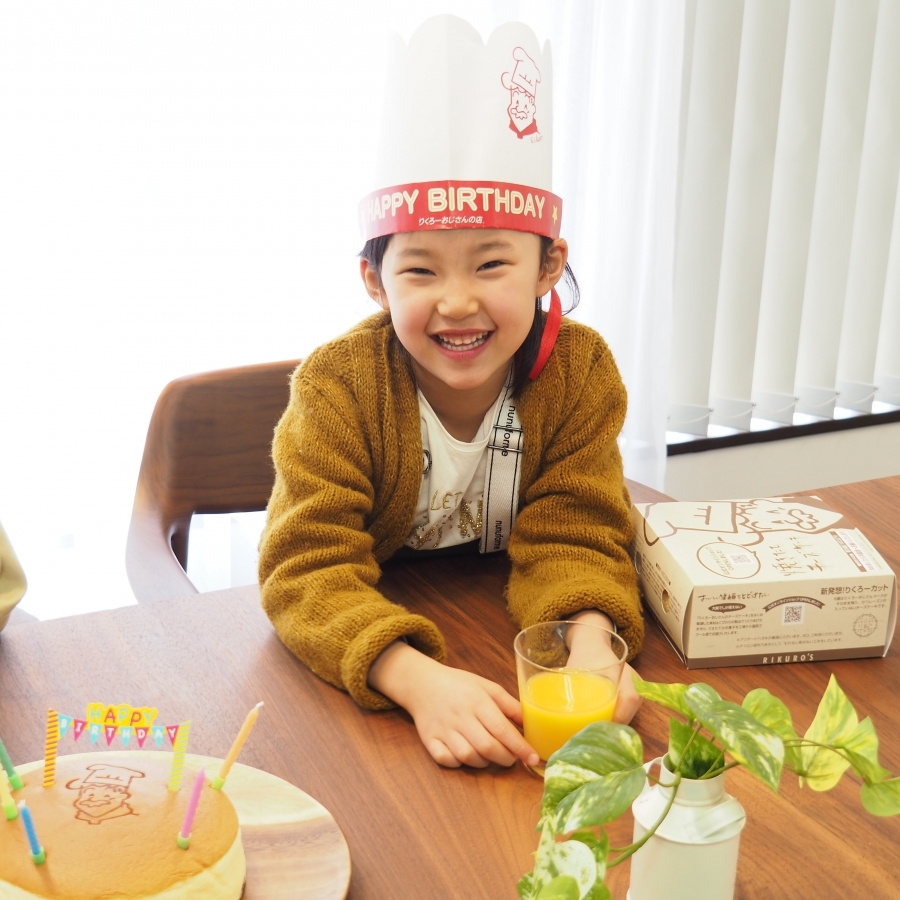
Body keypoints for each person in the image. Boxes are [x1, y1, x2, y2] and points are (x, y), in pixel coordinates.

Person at [258, 15, 643, 769]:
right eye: (422, 270)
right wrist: (417, 681)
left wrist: (591, 641)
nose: (458, 302)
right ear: (374, 280)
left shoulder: (580, 373)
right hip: (386, 657)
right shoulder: (338, 388)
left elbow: (578, 528)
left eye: (492, 264)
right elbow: (305, 569)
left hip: (497, 625)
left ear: (545, 265)